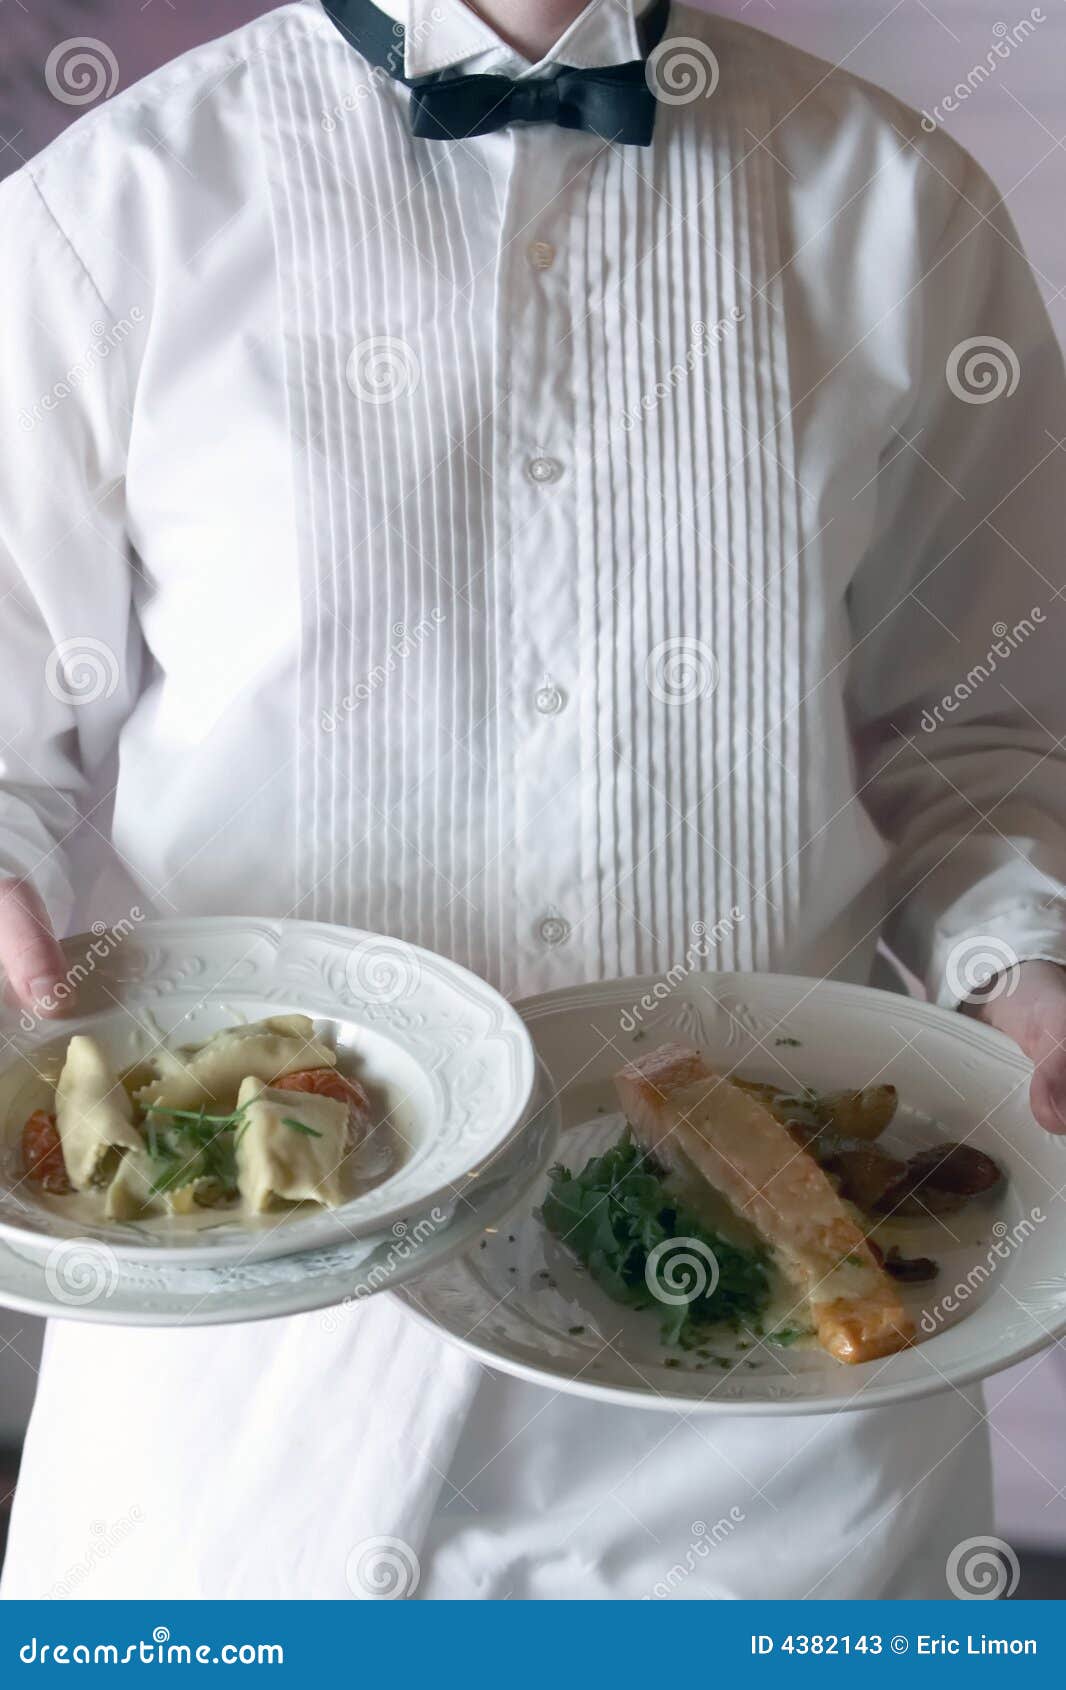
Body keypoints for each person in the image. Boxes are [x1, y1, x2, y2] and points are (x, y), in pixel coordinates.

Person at [1, 0, 1065, 1601]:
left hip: (780, 1440)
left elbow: (982, 732)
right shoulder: (110, 209)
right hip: (246, 1419)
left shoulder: (901, 202)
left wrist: (1024, 957)